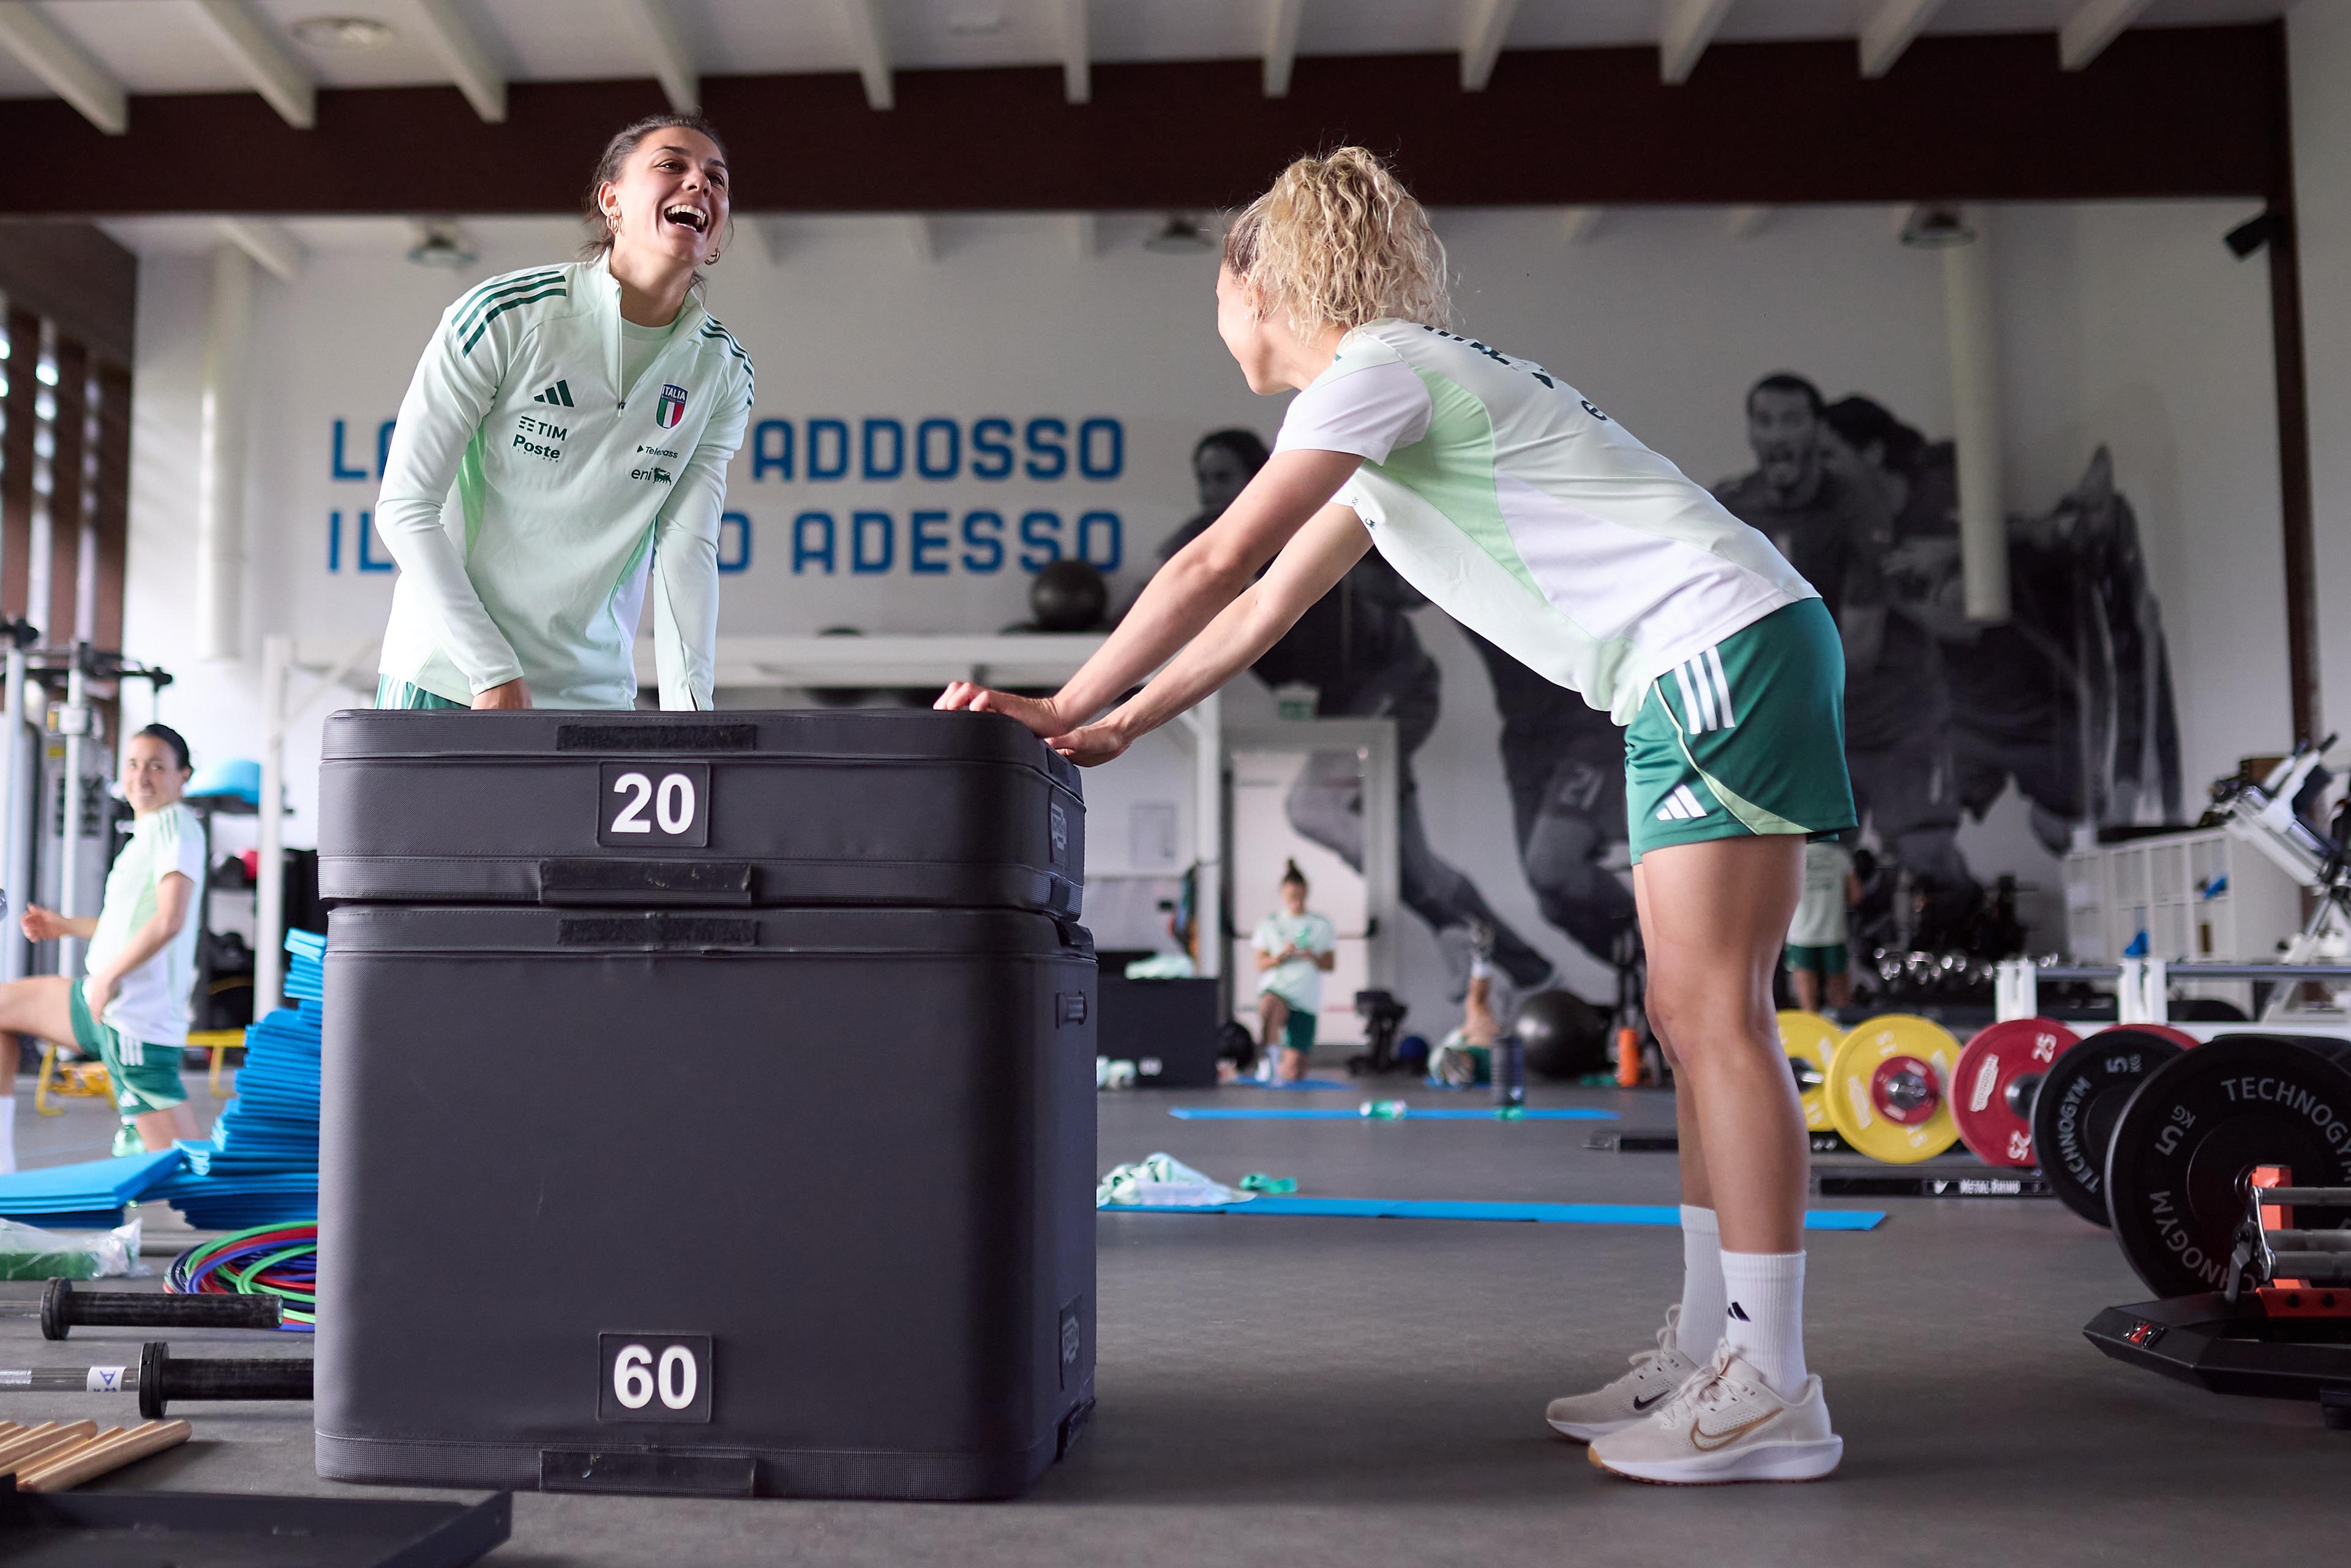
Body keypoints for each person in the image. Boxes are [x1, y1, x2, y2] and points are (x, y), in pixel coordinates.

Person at [939, 148, 1855, 1484]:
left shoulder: (1381, 369)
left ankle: (1771, 1379)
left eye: (1216, 287)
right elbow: (1260, 609)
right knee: (1682, 1014)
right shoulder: (1380, 409)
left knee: (1719, 1013)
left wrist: (1059, 691)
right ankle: (1722, 1343)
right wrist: (1125, 720)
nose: (1214, 319)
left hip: (1720, 646)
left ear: (1261, 280)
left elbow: (1214, 556)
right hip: (1699, 660)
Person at [373, 113, 756, 711]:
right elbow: (405, 508)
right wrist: (492, 670)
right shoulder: (506, 316)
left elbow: (687, 547)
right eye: (671, 166)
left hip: (593, 699)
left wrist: (692, 714)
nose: (699, 185)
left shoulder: (722, 372)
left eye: (717, 178)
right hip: (450, 681)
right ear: (613, 201)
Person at [1159, 431, 1556, 997]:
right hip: (1340, 699)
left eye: (1223, 477)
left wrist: (1325, 556)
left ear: (1258, 477)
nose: (1211, 491)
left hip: (1395, 682)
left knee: (1314, 806)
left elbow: (1410, 592)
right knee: (1418, 862)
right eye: (1203, 479)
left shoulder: (1307, 515)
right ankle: (1531, 968)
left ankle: (1451, 926)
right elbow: (1160, 592)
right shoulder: (1207, 537)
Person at [1718, 380, 1976, 908]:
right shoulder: (1729, 507)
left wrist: (1759, 681)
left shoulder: (1858, 506)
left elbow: (1857, 649)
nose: (1777, 435)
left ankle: (1981, 954)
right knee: (1809, 879)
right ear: (1750, 433)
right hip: (1807, 731)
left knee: (1924, 852)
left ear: (1816, 431)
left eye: (1792, 420)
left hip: (1894, 720)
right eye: (1764, 421)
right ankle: (1840, 985)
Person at [0, 725, 206, 1166]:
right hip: (101, 1000)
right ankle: (3, 1170)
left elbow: (170, 919)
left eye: (156, 766)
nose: (141, 776)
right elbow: (129, 924)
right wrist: (66, 926)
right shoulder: (149, 833)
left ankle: (253, 1226)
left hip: (130, 1016)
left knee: (191, 1175)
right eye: (133, 764)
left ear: (182, 775)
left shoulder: (175, 824)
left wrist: (109, 977)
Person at [1251, 860, 1337, 1082]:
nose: (1295, 902)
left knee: (1295, 1072)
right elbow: (1260, 963)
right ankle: (1268, 1059)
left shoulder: (1321, 925)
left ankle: (1286, 1063)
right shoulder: (1270, 924)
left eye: (1299, 896)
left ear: (1306, 893)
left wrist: (1312, 956)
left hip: (1305, 997)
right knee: (1270, 1006)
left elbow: (1330, 964)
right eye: (1291, 897)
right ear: (1282, 895)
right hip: (1279, 989)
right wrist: (1280, 956)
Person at [1783, 838, 1857, 1013]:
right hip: (1833, 931)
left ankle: (1814, 1037)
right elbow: (1856, 895)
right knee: (1840, 997)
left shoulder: (1791, 854)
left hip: (1801, 933)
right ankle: (1841, 1034)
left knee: (1808, 1004)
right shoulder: (1840, 855)